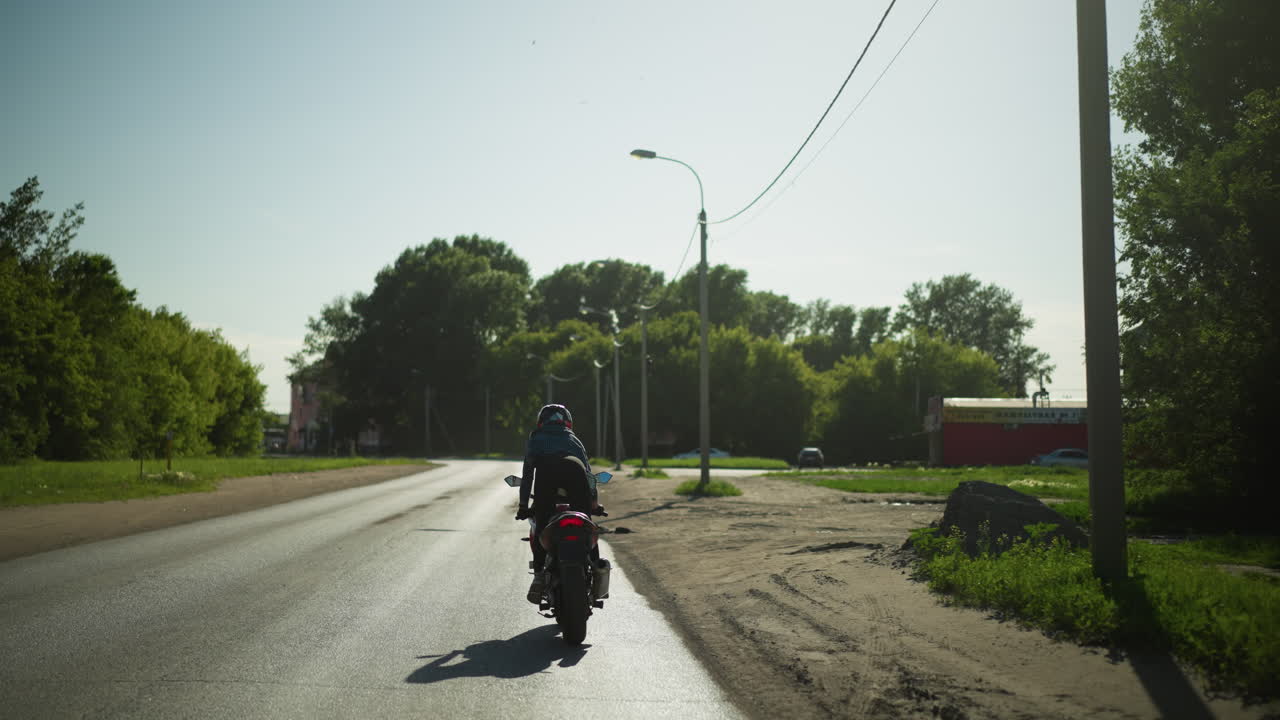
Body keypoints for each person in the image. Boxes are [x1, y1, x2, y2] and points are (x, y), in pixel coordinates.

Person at [515, 404, 602, 603]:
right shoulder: (574, 440)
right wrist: (594, 504)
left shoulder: (535, 439)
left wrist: (523, 506)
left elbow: (527, 477)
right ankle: (597, 569)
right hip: (576, 476)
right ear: (568, 422)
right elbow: (589, 476)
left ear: (541, 422)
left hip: (547, 476)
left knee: (542, 527)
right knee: (587, 524)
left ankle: (539, 576)